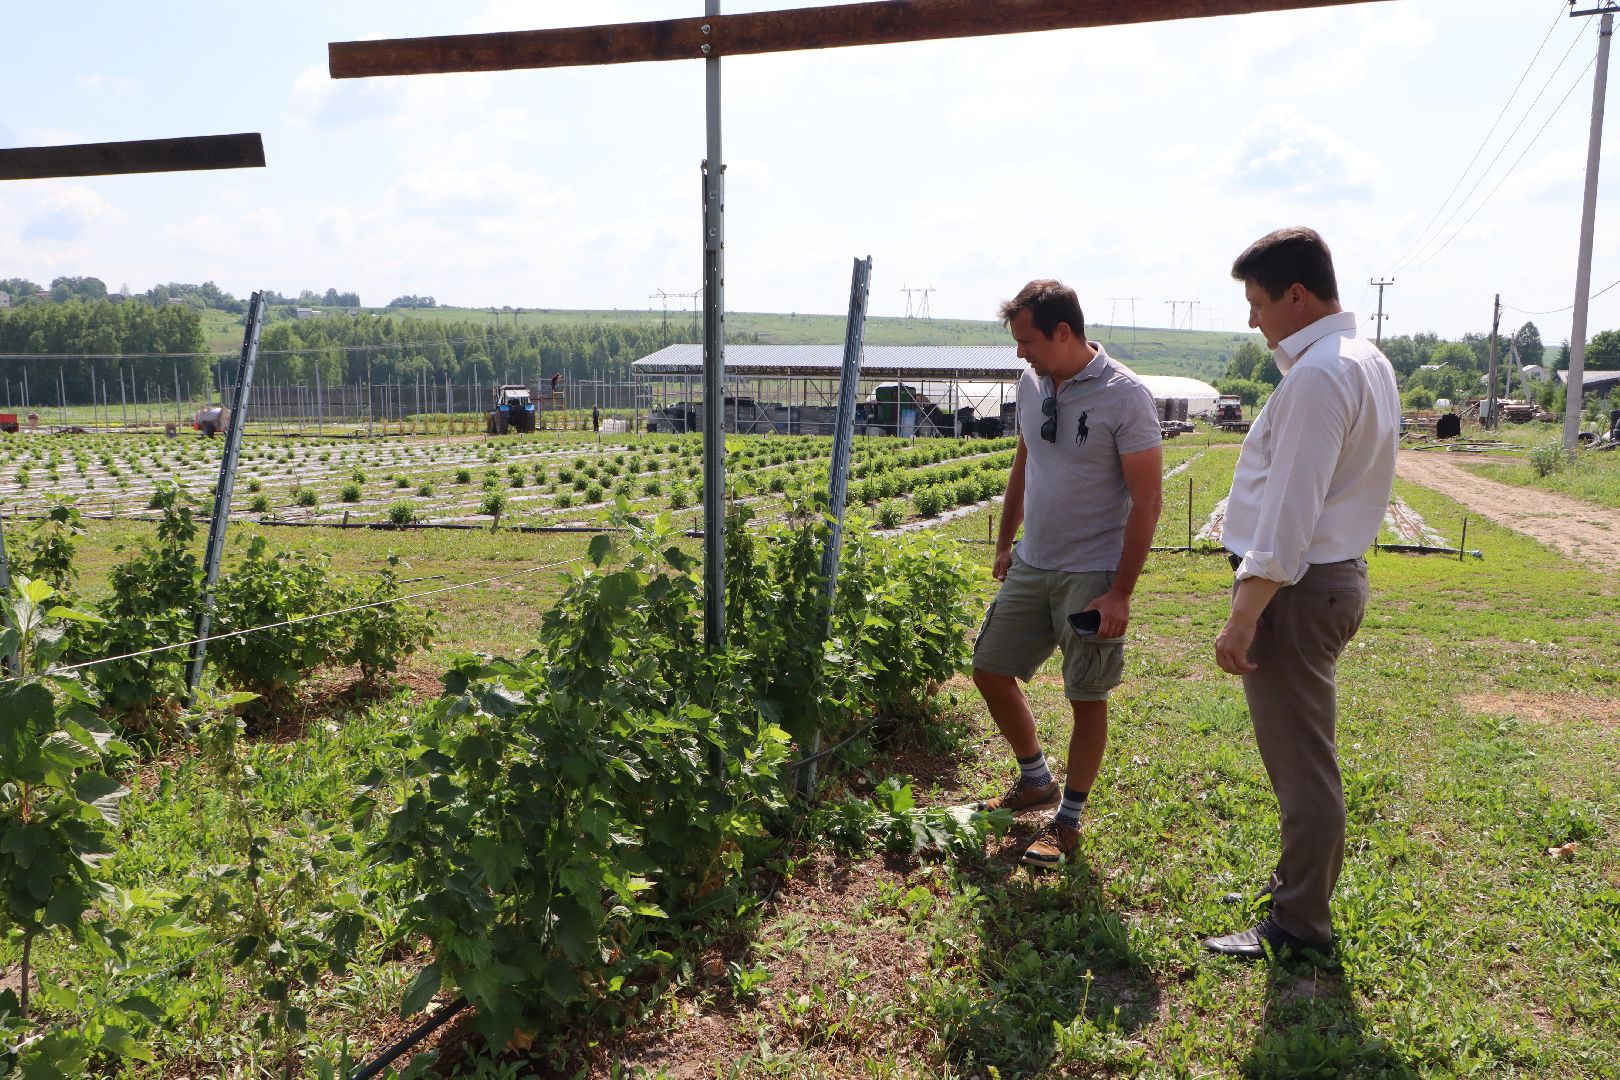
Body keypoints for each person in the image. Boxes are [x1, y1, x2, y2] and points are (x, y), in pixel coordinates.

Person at [1203, 227, 1399, 961]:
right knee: (1303, 753)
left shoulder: (1319, 375)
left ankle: (1300, 925)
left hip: (1297, 591)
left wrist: (1243, 614)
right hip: (1325, 580)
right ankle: (1295, 889)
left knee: (1302, 765)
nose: (1253, 318)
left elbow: (1290, 514)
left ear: (1296, 294)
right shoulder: (1362, 358)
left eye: (1257, 301)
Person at [971, 279, 1163, 868]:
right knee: (989, 669)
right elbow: (1024, 461)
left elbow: (1148, 500)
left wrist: (1121, 592)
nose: (1020, 353)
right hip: (1034, 560)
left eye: (1027, 341)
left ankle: (1069, 819)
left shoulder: (1125, 396)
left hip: (1091, 573)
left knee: (1085, 694)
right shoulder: (1032, 384)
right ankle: (1036, 779)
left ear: (1062, 332)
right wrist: (1005, 542)